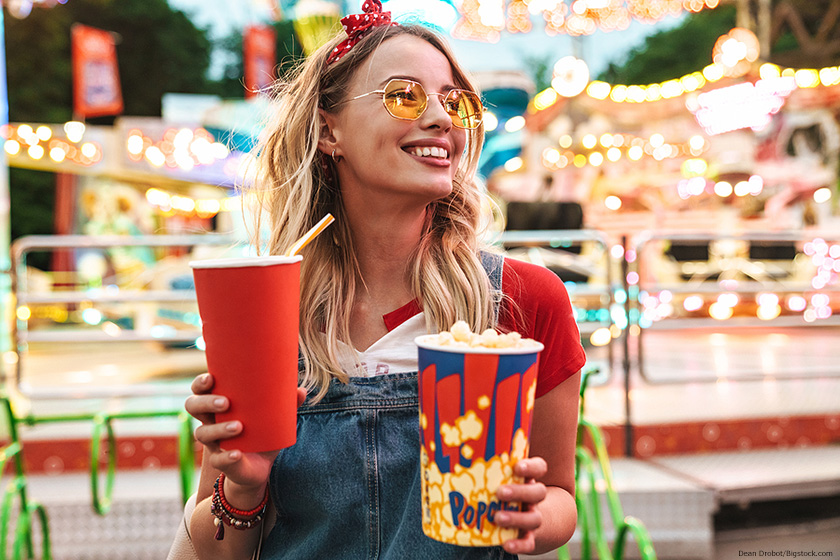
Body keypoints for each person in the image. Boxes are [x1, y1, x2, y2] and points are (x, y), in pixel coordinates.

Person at [176, 2, 586, 558]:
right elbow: (214, 547)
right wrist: (242, 487)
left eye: (454, 101)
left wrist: (536, 513)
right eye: (405, 95)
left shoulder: (522, 299)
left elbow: (562, 496)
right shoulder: (269, 310)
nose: (442, 119)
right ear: (329, 129)